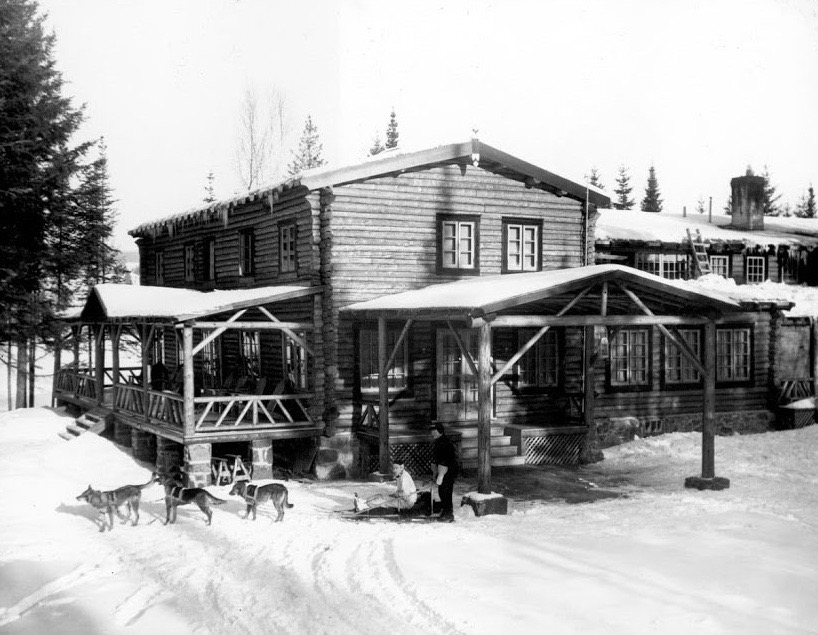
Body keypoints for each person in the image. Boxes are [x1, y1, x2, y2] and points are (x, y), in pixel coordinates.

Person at [430, 422, 458, 522]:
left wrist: (440, 476)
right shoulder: (438, 441)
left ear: (439, 431)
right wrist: (435, 473)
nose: (432, 433)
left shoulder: (444, 442)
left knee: (446, 492)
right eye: (431, 431)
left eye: (434, 431)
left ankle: (449, 514)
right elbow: (435, 459)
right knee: (442, 491)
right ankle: (445, 511)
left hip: (448, 471)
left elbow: (444, 461)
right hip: (442, 470)